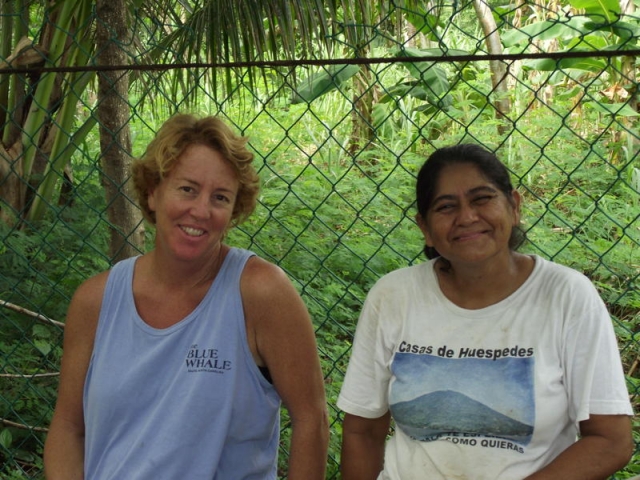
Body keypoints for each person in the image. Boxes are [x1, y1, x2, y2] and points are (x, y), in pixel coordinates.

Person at [44, 113, 329, 480]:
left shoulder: (260, 293)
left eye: (220, 197)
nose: (201, 211)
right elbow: (69, 428)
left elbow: (312, 419)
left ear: (234, 210)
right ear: (153, 192)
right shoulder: (95, 301)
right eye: (187, 189)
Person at [338, 143, 634, 480]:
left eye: (482, 199)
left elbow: (610, 440)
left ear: (514, 206)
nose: (466, 217)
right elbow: (363, 432)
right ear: (425, 228)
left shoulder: (566, 295)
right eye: (446, 206)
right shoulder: (393, 297)